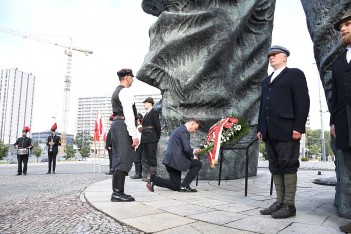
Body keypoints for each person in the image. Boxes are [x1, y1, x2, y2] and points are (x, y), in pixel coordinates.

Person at [257, 45, 310, 219]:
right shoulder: (266, 81)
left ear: (284, 57)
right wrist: (260, 128)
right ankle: (279, 202)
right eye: (269, 56)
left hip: (287, 129)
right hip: (270, 131)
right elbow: (262, 107)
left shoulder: (294, 74)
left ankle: (289, 205)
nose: (271, 57)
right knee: (275, 166)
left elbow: (302, 101)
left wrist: (299, 127)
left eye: (275, 55)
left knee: (288, 165)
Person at [330, 9, 351, 233]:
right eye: (341, 27)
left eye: (348, 24)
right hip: (345, 123)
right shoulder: (338, 62)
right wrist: (334, 122)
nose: (342, 29)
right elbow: (335, 95)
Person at [146, 118, 202, 193]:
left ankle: (154, 179)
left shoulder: (179, 129)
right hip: (176, 161)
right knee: (197, 164)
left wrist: (192, 152)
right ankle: (185, 186)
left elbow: (181, 148)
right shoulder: (184, 132)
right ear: (192, 123)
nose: (194, 131)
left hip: (171, 161)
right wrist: (193, 154)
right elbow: (187, 149)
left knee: (176, 186)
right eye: (195, 128)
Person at [110, 68, 140, 202]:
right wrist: (134, 134)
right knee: (123, 157)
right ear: (127, 77)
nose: (133, 80)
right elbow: (129, 114)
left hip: (117, 125)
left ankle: (117, 192)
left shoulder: (117, 91)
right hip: (122, 125)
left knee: (119, 157)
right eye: (132, 77)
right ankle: (117, 193)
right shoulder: (126, 91)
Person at [140, 97, 161, 182]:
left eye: (145, 103)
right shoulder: (147, 114)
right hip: (145, 138)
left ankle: (153, 176)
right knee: (146, 157)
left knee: (152, 157)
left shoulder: (154, 112)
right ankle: (148, 174)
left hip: (151, 138)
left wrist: (157, 136)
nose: (144, 104)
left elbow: (157, 126)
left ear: (150, 103)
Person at [130, 113, 144, 179]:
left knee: (137, 159)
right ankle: (138, 173)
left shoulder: (139, 127)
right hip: (140, 145)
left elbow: (139, 138)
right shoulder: (141, 126)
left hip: (139, 145)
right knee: (138, 159)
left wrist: (136, 146)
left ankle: (138, 174)